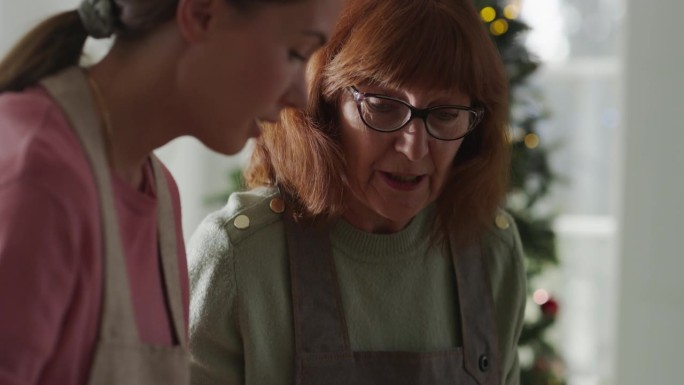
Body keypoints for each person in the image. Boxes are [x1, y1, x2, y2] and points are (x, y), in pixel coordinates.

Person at [0, 0, 342, 383]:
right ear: (201, 15)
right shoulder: (38, 179)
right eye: (297, 53)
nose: (299, 95)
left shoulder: (157, 191)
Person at [188, 0, 527, 384]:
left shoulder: (491, 252)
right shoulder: (239, 258)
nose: (414, 149)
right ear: (324, 105)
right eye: (383, 107)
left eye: (446, 115)